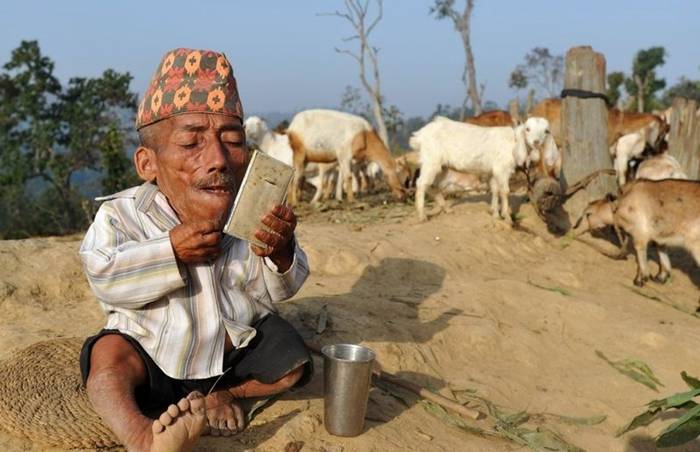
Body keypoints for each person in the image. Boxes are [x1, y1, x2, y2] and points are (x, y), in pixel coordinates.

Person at [78, 48, 312, 452]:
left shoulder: (251, 210)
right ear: (148, 164)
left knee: (294, 361)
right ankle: (142, 436)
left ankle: (224, 396)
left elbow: (275, 292)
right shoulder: (123, 215)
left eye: (232, 141)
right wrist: (169, 252)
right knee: (107, 361)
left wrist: (281, 253)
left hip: (230, 358)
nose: (218, 160)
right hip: (154, 353)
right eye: (191, 143)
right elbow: (104, 278)